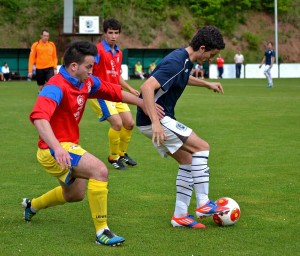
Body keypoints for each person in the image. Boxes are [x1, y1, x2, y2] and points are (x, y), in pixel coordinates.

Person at [22, 40, 163, 246]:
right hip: (52, 150)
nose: (92, 70)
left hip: (68, 146)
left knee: (75, 195)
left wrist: (143, 102)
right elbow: (39, 118)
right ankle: (102, 231)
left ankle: (32, 205)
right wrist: (57, 147)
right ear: (73, 67)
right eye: (89, 66)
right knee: (99, 170)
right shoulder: (55, 86)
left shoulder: (86, 82)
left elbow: (113, 92)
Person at [136, 25, 230, 229]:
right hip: (157, 119)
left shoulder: (183, 60)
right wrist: (155, 122)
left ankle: (179, 216)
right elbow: (146, 87)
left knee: (187, 160)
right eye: (211, 54)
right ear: (202, 48)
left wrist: (207, 84)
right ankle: (203, 202)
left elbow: (183, 77)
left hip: (154, 120)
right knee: (202, 147)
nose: (211, 59)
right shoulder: (177, 61)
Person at [90, 18, 140, 170]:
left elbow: (116, 75)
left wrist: (130, 89)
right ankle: (113, 157)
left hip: (115, 92)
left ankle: (122, 153)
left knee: (130, 123)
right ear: (105, 33)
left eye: (116, 33)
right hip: (101, 93)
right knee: (117, 123)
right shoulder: (97, 50)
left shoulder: (118, 52)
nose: (113, 36)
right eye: (110, 33)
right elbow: (89, 70)